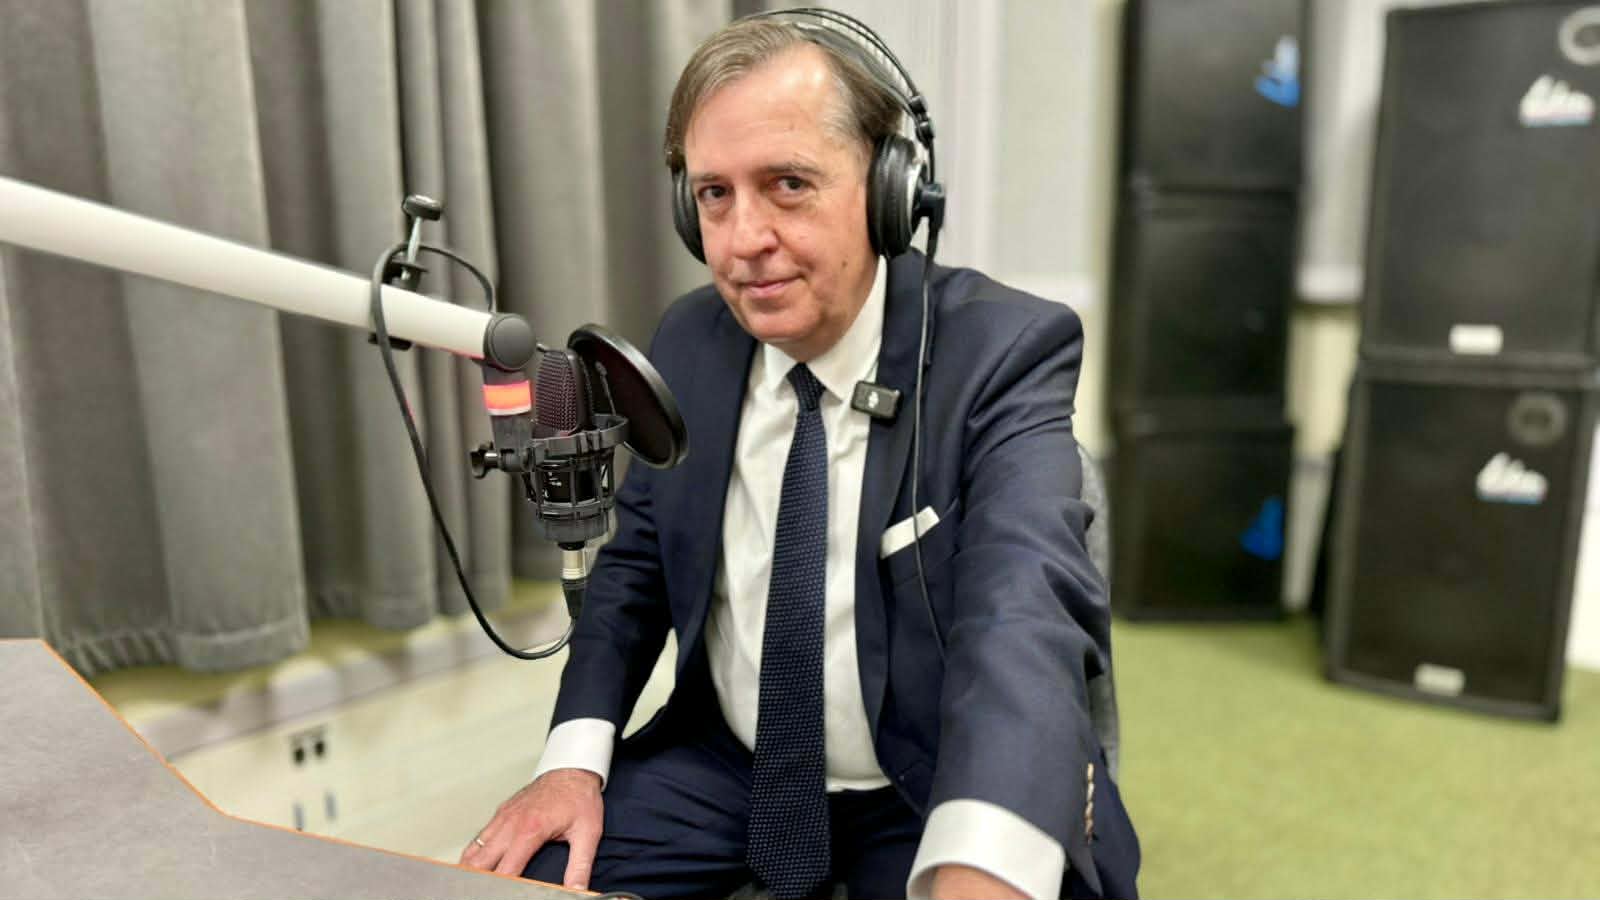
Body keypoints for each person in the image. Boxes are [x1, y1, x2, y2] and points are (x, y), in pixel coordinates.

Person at [461, 12, 1138, 900]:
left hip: (931, 775)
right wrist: (571, 765)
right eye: (715, 194)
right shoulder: (689, 342)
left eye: (788, 184)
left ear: (890, 189)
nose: (744, 240)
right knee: (525, 883)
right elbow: (633, 570)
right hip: (725, 766)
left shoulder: (1002, 351)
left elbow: (1024, 606)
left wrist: (986, 854)